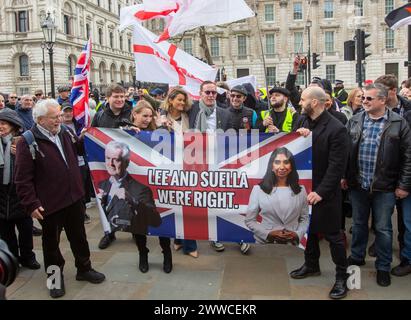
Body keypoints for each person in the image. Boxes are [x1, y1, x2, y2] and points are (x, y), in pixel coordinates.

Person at [14, 99, 105, 298]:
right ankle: (54, 279)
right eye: (54, 117)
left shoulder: (65, 132)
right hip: (49, 204)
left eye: (59, 116)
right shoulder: (27, 141)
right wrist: (31, 203)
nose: (59, 120)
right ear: (40, 119)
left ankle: (84, 268)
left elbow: (80, 150)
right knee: (51, 245)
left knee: (79, 237)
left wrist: (89, 135)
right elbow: (22, 179)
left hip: (74, 198)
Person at [342, 83, 411, 286]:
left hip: (385, 187)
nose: (364, 101)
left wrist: (404, 185)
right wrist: (344, 176)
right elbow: (346, 151)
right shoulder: (354, 120)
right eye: (363, 98)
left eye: (369, 98)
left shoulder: (398, 122)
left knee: (383, 228)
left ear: (382, 100)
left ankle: (383, 266)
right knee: (359, 224)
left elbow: (408, 157)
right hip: (358, 185)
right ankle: (356, 256)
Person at [291, 87, 350, 300]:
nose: (300, 102)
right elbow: (294, 149)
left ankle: (342, 277)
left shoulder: (337, 128)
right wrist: (301, 136)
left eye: (303, 99)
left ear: (315, 102)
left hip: (326, 193)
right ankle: (311, 264)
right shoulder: (303, 121)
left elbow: (337, 166)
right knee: (309, 229)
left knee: (334, 236)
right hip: (305, 188)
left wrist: (321, 192)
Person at [98, 141, 171, 273]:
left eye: (117, 160)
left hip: (161, 180)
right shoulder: (101, 185)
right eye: (108, 158)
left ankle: (167, 254)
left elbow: (155, 220)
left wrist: (132, 200)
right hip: (129, 225)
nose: (111, 164)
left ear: (126, 162)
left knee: (153, 226)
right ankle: (143, 254)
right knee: (137, 230)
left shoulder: (140, 189)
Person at [0, 109, 40, 270]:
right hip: (1, 197)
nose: (0, 127)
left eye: (3, 124)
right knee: (5, 233)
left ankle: (28, 257)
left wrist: (20, 155)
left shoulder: (22, 142)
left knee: (25, 230)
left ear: (13, 126)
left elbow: (35, 164)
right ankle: (12, 259)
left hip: (19, 194)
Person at [160, 87, 198, 257]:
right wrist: (161, 119)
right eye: (179, 100)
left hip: (188, 166)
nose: (182, 103)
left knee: (188, 204)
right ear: (170, 101)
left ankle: (190, 245)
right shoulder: (160, 118)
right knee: (174, 203)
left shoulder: (188, 116)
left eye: (184, 100)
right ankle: (177, 238)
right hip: (168, 167)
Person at [245, 147, 309, 245]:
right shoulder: (258, 190)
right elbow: (249, 220)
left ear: (291, 166)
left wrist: (297, 235)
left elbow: (304, 219)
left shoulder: (301, 190)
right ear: (272, 166)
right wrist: (269, 234)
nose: (282, 167)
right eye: (277, 162)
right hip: (265, 244)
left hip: (291, 246)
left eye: (286, 162)